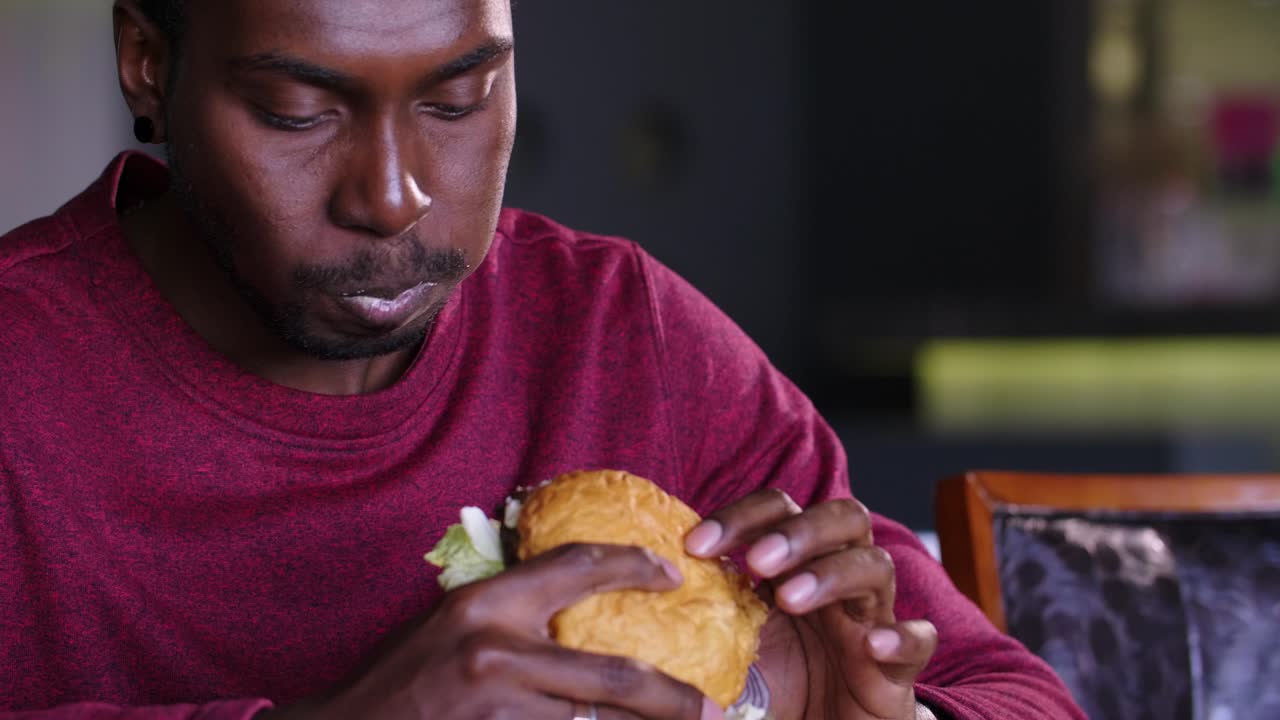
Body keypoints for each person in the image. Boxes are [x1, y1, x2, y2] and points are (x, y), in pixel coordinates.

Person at [0, 2, 1084, 719]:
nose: (393, 195)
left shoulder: (619, 333)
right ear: (146, 62)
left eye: (457, 101)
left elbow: (1016, 696)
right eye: (297, 113)